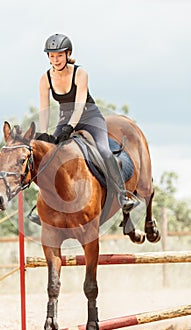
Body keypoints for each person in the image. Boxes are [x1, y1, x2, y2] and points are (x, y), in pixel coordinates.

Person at [39, 33, 137, 214]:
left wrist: (70, 127)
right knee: (48, 156)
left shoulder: (80, 73)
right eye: (52, 56)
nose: (56, 59)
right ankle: (46, 206)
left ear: (68, 54)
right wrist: (45, 134)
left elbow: (79, 104)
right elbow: (44, 110)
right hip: (65, 120)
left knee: (105, 152)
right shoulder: (45, 79)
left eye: (59, 55)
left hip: (90, 118)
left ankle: (123, 195)